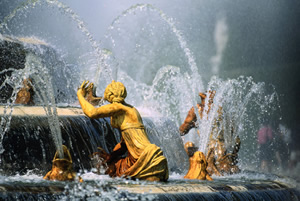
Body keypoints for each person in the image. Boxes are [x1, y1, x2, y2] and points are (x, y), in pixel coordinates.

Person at [77, 80, 169, 181]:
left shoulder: (119, 107)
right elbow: (124, 143)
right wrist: (110, 156)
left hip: (143, 158)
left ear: (110, 94)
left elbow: (92, 113)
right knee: (117, 170)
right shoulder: (131, 109)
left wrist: (80, 95)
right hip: (149, 155)